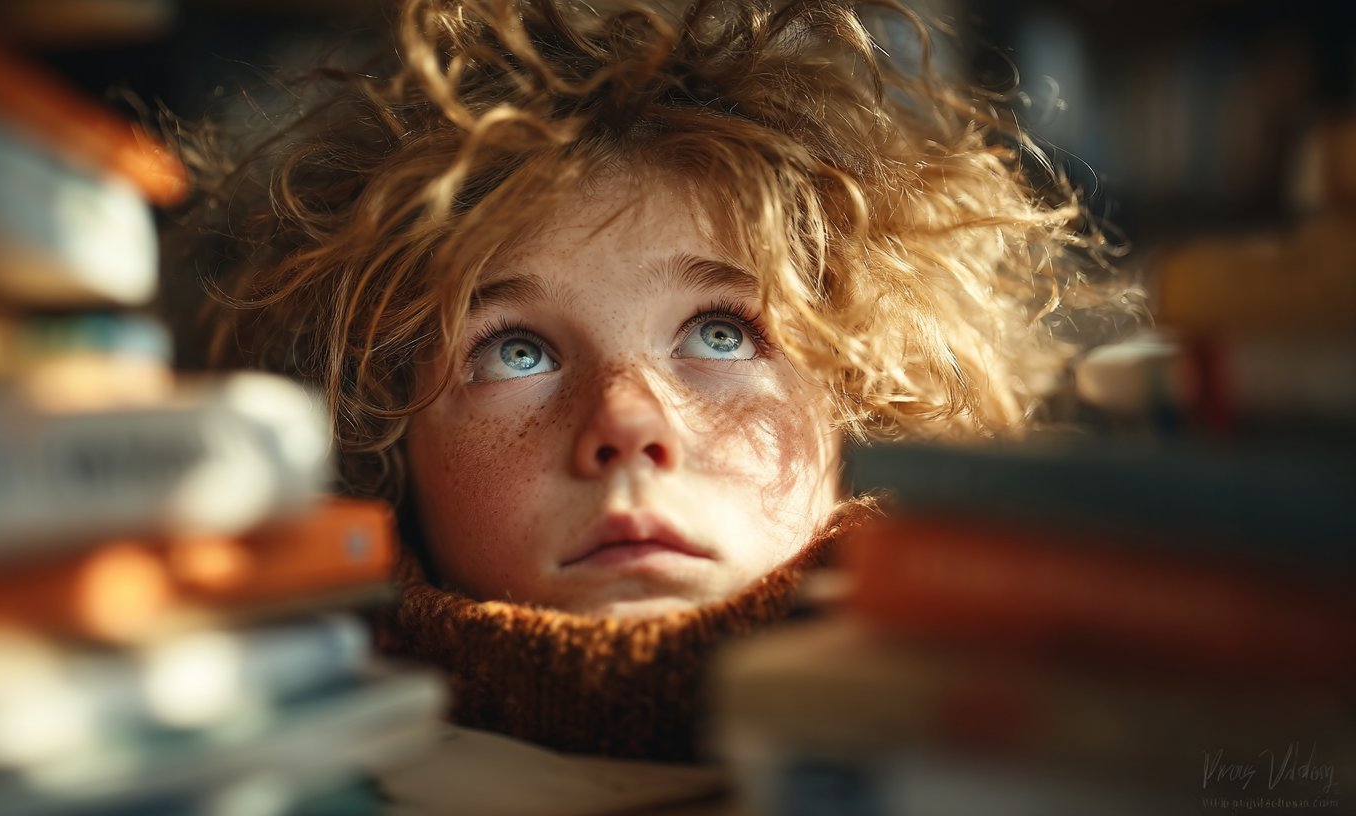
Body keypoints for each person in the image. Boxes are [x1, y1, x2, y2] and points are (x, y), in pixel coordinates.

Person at [177, 0, 1126, 759]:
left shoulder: (1041, 743)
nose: (627, 427)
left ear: (863, 397)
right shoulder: (245, 764)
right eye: (516, 351)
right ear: (380, 441)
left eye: (720, 334)